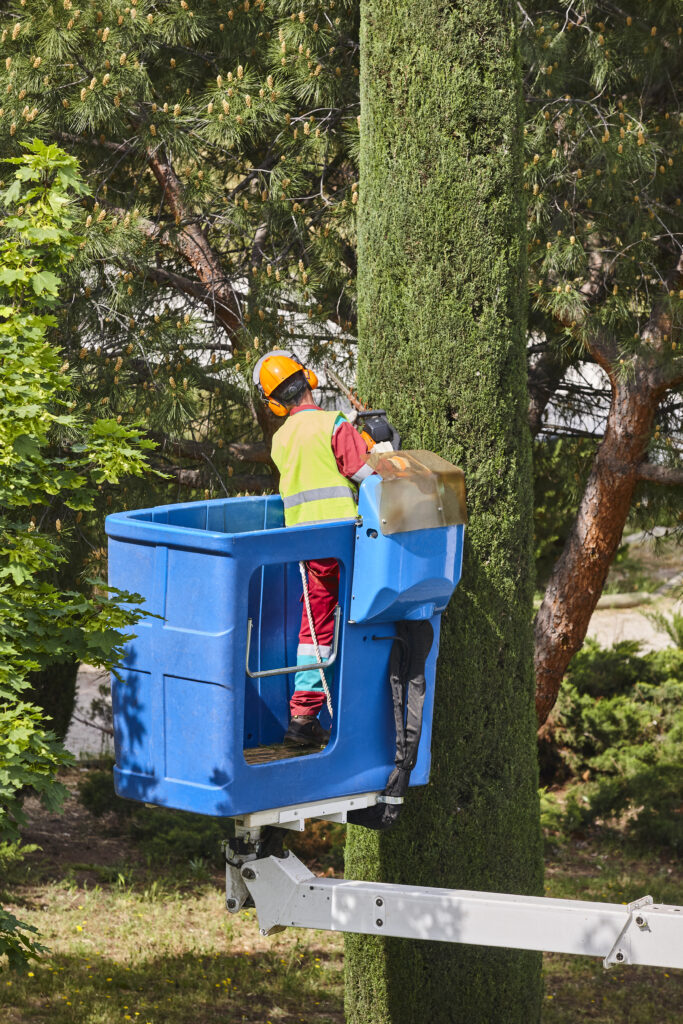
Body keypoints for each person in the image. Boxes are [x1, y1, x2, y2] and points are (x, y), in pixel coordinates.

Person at [254, 351, 373, 746]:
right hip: (346, 541)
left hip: (305, 544)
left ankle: (304, 716)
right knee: (367, 620)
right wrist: (379, 450)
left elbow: (312, 460)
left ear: (274, 402)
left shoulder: (280, 439)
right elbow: (364, 474)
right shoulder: (333, 424)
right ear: (309, 381)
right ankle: (352, 716)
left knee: (316, 628)